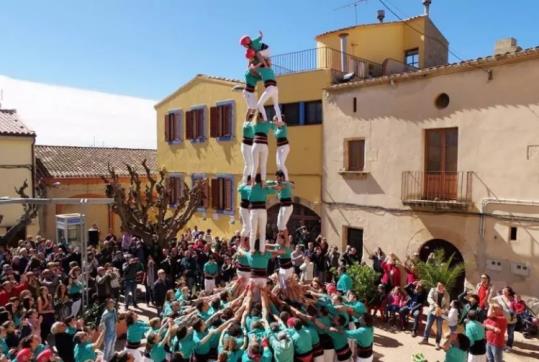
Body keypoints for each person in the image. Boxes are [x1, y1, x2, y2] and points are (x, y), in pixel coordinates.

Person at [248, 174, 276, 253]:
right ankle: (262, 250)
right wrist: (268, 183)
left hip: (253, 211)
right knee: (262, 231)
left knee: (253, 231)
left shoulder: (251, 188)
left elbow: (249, 198)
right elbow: (274, 190)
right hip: (262, 211)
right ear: (262, 180)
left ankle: (252, 249)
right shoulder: (264, 187)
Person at [420, 282, 450, 349]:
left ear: (444, 286)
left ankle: (437, 342)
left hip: (440, 313)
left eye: (441, 286)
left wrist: (442, 310)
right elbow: (429, 298)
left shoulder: (446, 294)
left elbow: (447, 305)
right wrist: (435, 305)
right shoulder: (433, 290)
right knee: (428, 325)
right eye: (438, 285)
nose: (439, 287)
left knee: (439, 328)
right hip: (432, 311)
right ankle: (425, 339)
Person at [250, 116, 275, 183]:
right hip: (264, 145)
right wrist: (268, 121)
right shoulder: (267, 124)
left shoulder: (254, 124)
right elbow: (274, 126)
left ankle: (252, 183)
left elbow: (252, 131)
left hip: (256, 144)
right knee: (263, 166)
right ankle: (263, 182)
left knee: (255, 165)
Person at [492, 286, 517, 351]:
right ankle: (500, 344)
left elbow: (518, 309)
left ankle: (509, 346)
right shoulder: (499, 298)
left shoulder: (513, 299)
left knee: (510, 334)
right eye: (503, 290)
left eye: (505, 290)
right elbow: (490, 301)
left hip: (512, 320)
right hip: (502, 320)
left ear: (509, 292)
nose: (503, 291)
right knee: (501, 333)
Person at [273, 116, 290, 180]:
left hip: (284, 146)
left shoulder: (284, 125)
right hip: (279, 147)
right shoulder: (276, 129)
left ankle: (286, 179)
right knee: (278, 164)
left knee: (281, 163)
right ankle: (280, 178)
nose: (274, 122)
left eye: (275, 120)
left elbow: (280, 122)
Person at [238, 177, 253, 244]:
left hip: (245, 208)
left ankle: (245, 241)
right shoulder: (246, 187)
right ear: (249, 180)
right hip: (245, 208)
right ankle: (242, 242)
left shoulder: (244, 187)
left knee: (248, 226)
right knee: (247, 226)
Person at [241, 114, 255, 183]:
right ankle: (244, 181)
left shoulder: (252, 125)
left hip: (250, 145)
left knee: (252, 164)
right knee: (248, 164)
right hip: (245, 145)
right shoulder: (246, 124)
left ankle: (249, 180)